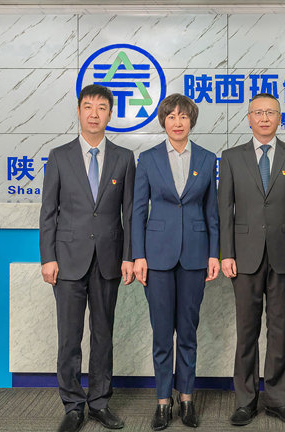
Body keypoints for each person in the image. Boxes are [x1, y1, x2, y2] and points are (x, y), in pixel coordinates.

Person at [39, 84, 135, 432]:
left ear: (110, 113)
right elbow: (48, 212)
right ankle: (72, 405)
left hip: (109, 258)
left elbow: (130, 213)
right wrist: (47, 257)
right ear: (79, 111)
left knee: (103, 334)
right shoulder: (59, 156)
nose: (94, 114)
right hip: (67, 260)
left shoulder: (124, 158)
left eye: (102, 107)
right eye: (88, 107)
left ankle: (99, 402)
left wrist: (129, 256)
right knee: (69, 336)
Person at [218, 93, 285, 426]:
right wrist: (226, 253)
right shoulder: (231, 157)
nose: (263, 118)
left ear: (280, 118)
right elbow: (224, 210)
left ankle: (278, 399)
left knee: (280, 328)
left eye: (270, 112)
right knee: (246, 331)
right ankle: (246, 401)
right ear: (248, 118)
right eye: (257, 112)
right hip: (243, 256)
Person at [131, 93, 219, 431]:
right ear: (164, 122)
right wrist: (138, 255)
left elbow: (212, 212)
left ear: (191, 121)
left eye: (183, 116)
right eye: (171, 117)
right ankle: (163, 401)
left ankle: (187, 399)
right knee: (162, 333)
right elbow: (138, 211)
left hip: (195, 255)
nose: (178, 122)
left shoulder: (207, 158)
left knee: (188, 332)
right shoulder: (148, 158)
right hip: (157, 256)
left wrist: (214, 253)